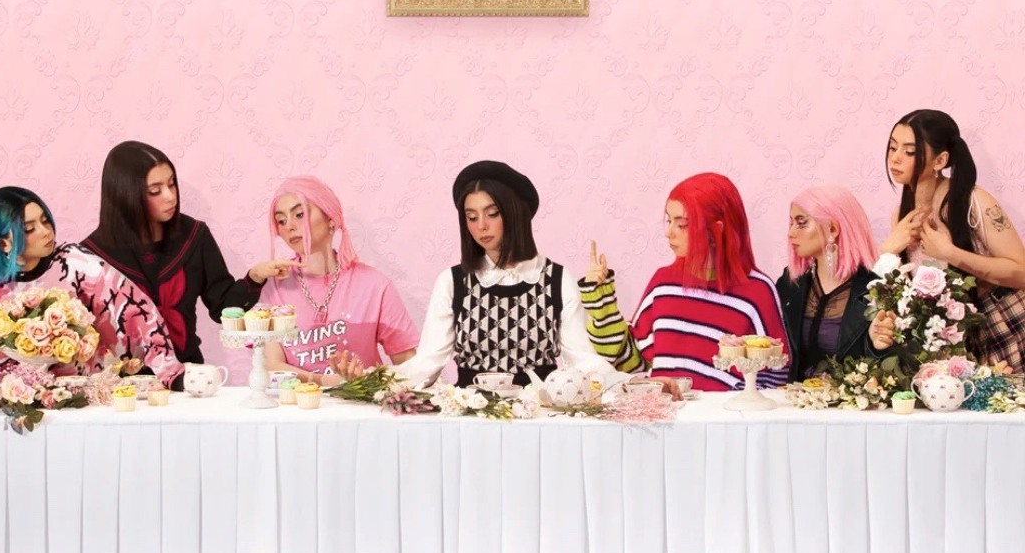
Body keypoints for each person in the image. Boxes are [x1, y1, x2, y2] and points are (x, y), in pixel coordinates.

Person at [395, 160, 654, 393]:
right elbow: (428, 360)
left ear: (515, 213)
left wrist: (630, 384)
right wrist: (381, 382)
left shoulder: (557, 280)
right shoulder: (453, 282)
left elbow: (581, 359)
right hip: (471, 414)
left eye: (492, 214)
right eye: (471, 217)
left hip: (540, 413)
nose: (481, 225)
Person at [0, 186, 180, 386]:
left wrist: (168, 371)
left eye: (45, 220)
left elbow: (135, 310)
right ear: (3, 243)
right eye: (29, 229)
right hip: (4, 406)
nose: (46, 231)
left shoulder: (74, 264)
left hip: (76, 398)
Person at [82, 141, 290, 364]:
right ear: (125, 196)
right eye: (155, 191)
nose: (170, 196)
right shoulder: (90, 257)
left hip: (189, 375)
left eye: (172, 184)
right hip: (122, 381)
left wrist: (255, 277)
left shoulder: (194, 237)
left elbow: (223, 308)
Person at [581, 172, 789, 390]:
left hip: (724, 412)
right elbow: (629, 360)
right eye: (669, 220)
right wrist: (601, 302)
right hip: (663, 411)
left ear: (716, 230)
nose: (668, 232)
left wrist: (724, 405)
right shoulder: (663, 283)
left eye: (681, 224)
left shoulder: (757, 292)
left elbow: (775, 376)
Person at [880, 109, 1025, 368]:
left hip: (1002, 322)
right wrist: (888, 251)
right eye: (892, 147)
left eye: (910, 152)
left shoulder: (974, 202)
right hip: (950, 339)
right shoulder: (900, 216)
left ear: (940, 160)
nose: (896, 158)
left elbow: (1021, 272)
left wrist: (951, 254)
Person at [262, 176, 418, 382]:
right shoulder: (275, 285)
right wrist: (326, 381)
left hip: (361, 400)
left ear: (331, 219)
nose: (289, 226)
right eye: (281, 220)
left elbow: (408, 362)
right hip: (296, 402)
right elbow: (272, 365)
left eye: (299, 214)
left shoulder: (375, 286)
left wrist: (368, 380)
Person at [776, 185, 895, 382]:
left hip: (849, 401)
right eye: (791, 223)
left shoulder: (876, 290)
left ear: (832, 229)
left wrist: (877, 346)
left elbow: (885, 373)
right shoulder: (790, 285)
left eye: (801, 223)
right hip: (792, 399)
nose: (790, 233)